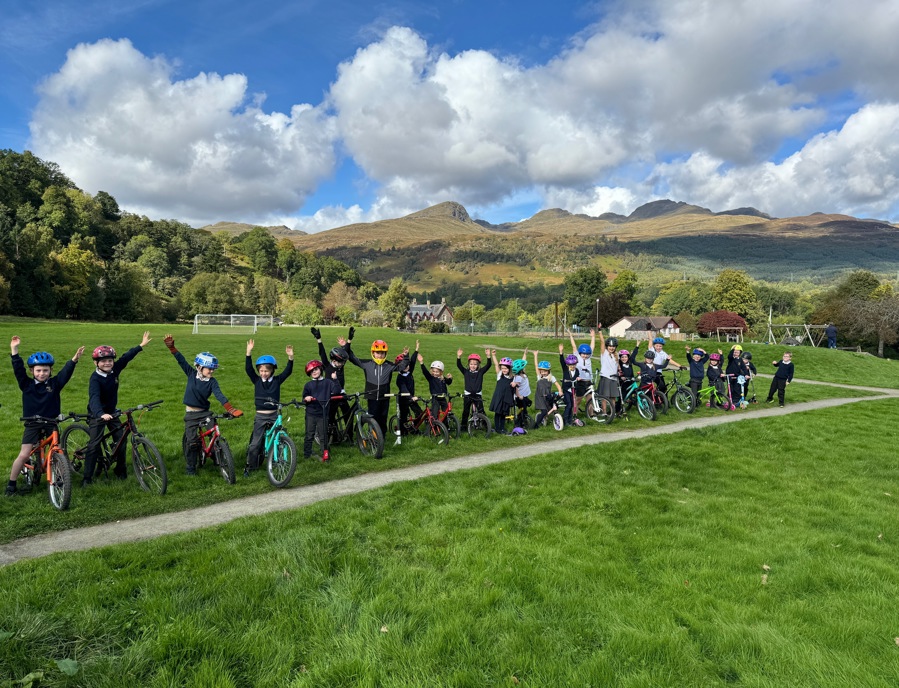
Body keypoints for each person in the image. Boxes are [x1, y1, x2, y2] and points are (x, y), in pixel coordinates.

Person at [6, 337, 84, 497]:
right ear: (32, 371)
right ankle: (11, 485)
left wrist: (74, 360)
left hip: (51, 422)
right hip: (32, 423)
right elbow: (18, 369)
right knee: (24, 454)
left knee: (58, 451)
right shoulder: (26, 385)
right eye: (38, 370)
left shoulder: (54, 384)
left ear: (50, 371)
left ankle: (61, 477)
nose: (42, 373)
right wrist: (14, 350)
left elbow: (65, 374)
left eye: (45, 370)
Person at [163, 334, 243, 475]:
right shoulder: (191, 374)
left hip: (205, 413)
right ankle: (191, 466)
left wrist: (230, 409)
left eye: (213, 369)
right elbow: (181, 361)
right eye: (208, 368)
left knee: (214, 433)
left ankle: (216, 454)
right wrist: (172, 348)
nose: (211, 371)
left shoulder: (212, 381)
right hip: (191, 414)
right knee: (192, 442)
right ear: (199, 367)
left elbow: (219, 395)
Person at [83, 332, 151, 486]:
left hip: (112, 411)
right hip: (97, 413)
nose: (108, 363)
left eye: (110, 360)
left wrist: (141, 346)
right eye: (103, 361)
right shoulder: (95, 379)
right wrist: (100, 414)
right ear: (96, 363)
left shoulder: (114, 370)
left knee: (121, 439)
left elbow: (126, 358)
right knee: (94, 445)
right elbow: (94, 398)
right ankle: (87, 478)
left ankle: (120, 470)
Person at [245, 340, 294, 474]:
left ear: (272, 370)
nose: (263, 373)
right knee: (255, 444)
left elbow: (288, 372)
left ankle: (276, 458)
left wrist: (290, 357)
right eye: (261, 371)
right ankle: (251, 466)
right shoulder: (256, 380)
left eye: (266, 371)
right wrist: (248, 353)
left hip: (274, 415)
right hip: (260, 416)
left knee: (278, 437)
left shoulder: (277, 381)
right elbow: (248, 370)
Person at [345, 338, 406, 437]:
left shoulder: (389, 365)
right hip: (372, 397)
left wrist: (406, 356)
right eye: (377, 353)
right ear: (373, 353)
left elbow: (401, 367)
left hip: (384, 397)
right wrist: (347, 344)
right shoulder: (367, 364)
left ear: (385, 354)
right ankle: (372, 436)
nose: (380, 355)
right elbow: (352, 358)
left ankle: (382, 437)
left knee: (382, 418)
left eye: (382, 353)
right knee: (373, 418)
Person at [311, 326, 353, 432]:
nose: (341, 365)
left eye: (342, 363)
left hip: (341, 394)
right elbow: (322, 353)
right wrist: (319, 339)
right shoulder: (326, 365)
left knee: (348, 414)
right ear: (333, 360)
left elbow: (346, 352)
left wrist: (349, 340)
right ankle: (332, 434)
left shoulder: (341, 365)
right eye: (339, 362)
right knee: (331, 416)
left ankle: (349, 435)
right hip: (331, 395)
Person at [302, 360, 340, 461]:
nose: (314, 372)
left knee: (323, 435)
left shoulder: (328, 382)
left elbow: (336, 391)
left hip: (323, 413)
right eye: (311, 371)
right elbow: (304, 397)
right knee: (309, 434)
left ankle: (325, 453)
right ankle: (307, 454)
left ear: (321, 369)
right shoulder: (308, 385)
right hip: (311, 413)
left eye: (316, 370)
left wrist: (335, 379)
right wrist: (307, 398)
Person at [456, 348, 492, 427]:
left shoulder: (480, 372)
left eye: (475, 364)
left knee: (481, 411)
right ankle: (464, 426)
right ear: (468, 364)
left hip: (477, 394)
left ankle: (486, 425)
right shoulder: (466, 372)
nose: (473, 366)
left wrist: (488, 356)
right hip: (468, 394)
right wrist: (458, 357)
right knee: (466, 411)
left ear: (478, 365)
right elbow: (459, 365)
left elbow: (488, 365)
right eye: (471, 364)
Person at [394, 345, 421, 443]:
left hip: (411, 398)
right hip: (404, 398)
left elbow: (413, 361)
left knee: (419, 412)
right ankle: (403, 431)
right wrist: (411, 397)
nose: (407, 367)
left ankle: (414, 428)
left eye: (407, 365)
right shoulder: (400, 379)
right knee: (403, 416)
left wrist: (416, 350)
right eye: (404, 366)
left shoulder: (409, 372)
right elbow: (404, 390)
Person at [489, 350, 517, 434]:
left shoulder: (512, 377)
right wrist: (493, 355)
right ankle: (497, 428)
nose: (504, 370)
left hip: (506, 398)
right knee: (498, 413)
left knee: (503, 414)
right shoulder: (500, 375)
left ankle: (502, 427)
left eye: (505, 368)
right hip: (499, 397)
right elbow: (496, 365)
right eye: (502, 368)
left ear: (509, 368)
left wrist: (514, 384)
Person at [532, 353, 563, 427]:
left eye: (545, 371)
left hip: (547, 396)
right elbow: (536, 366)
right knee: (544, 411)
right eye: (542, 371)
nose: (543, 373)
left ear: (548, 371)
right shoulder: (539, 377)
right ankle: (535, 425)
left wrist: (560, 391)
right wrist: (535, 356)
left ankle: (548, 418)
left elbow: (557, 385)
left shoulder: (551, 377)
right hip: (540, 397)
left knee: (551, 408)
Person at [418, 353, 453, 418]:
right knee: (435, 414)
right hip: (435, 399)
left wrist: (450, 378)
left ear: (441, 372)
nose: (435, 373)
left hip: (443, 398)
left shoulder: (442, 378)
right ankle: (433, 426)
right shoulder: (431, 378)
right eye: (433, 371)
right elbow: (425, 372)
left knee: (446, 413)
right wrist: (421, 363)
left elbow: (449, 382)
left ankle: (446, 426)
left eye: (437, 372)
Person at [568, 328, 596, 404]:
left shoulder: (589, 357)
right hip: (580, 381)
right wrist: (571, 336)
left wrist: (593, 337)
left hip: (588, 381)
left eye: (587, 354)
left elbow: (592, 347)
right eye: (583, 354)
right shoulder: (577, 356)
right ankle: (574, 414)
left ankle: (591, 415)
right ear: (580, 353)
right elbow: (574, 346)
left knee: (590, 399)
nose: (585, 356)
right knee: (578, 399)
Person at [596, 328, 620, 412]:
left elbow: (617, 366)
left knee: (613, 397)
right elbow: (602, 342)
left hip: (614, 379)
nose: (611, 348)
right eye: (610, 346)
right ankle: (604, 412)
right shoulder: (604, 353)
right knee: (605, 397)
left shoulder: (616, 356)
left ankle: (612, 412)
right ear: (607, 346)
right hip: (606, 378)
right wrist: (600, 332)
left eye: (613, 346)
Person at [558, 345, 581, 427]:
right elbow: (561, 362)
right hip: (566, 389)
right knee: (569, 404)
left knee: (573, 404)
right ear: (567, 365)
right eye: (571, 365)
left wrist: (578, 378)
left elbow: (577, 378)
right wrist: (561, 353)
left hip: (573, 390)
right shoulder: (565, 369)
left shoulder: (577, 371)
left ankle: (571, 419)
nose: (573, 366)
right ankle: (565, 419)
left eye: (574, 365)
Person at [725, 344, 749, 410]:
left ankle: (735, 401)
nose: (735, 353)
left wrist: (746, 374)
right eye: (734, 352)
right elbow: (729, 356)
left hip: (737, 376)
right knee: (730, 389)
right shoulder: (731, 358)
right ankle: (729, 400)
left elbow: (744, 368)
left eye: (737, 352)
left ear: (740, 353)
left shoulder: (740, 360)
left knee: (737, 389)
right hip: (730, 375)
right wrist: (733, 349)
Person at [511, 353, 531, 428]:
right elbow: (516, 385)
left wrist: (525, 354)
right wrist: (514, 383)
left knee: (524, 409)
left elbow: (523, 362)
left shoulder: (522, 374)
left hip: (524, 395)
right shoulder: (518, 377)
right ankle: (520, 423)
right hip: (520, 397)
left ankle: (523, 420)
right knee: (522, 410)